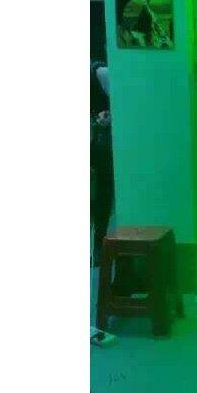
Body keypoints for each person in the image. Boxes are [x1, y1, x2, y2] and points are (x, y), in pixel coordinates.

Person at [90, 61, 113, 266]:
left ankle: (99, 247)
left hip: (100, 147)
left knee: (102, 198)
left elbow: (125, 104)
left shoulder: (101, 74)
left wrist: (109, 116)